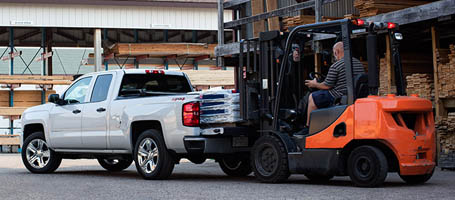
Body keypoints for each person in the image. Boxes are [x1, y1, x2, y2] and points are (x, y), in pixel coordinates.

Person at [303, 42, 365, 130]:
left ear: (336, 52)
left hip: (338, 95)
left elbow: (326, 86)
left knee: (312, 97)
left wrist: (314, 84)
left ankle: (308, 127)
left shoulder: (336, 66)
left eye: (334, 53)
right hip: (351, 94)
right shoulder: (358, 63)